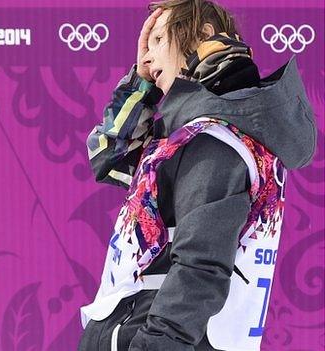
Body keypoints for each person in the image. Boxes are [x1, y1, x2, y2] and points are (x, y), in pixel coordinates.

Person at [79, 0, 316, 350]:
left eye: (158, 40)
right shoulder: (207, 135)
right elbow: (109, 157)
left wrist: (153, 344)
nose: (147, 58)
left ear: (204, 35)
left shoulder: (213, 141)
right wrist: (140, 84)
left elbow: (200, 267)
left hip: (155, 335)